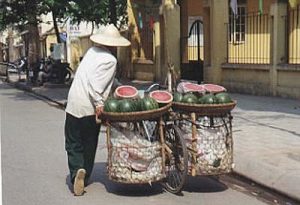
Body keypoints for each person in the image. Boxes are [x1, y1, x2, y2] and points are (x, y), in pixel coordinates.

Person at [64, 24, 131, 196]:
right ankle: (84, 174)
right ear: (113, 45)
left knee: (73, 142)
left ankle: (76, 173)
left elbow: (97, 77)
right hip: (89, 106)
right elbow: (96, 85)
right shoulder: (111, 60)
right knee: (89, 142)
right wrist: (100, 104)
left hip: (73, 103)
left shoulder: (91, 53)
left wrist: (119, 87)